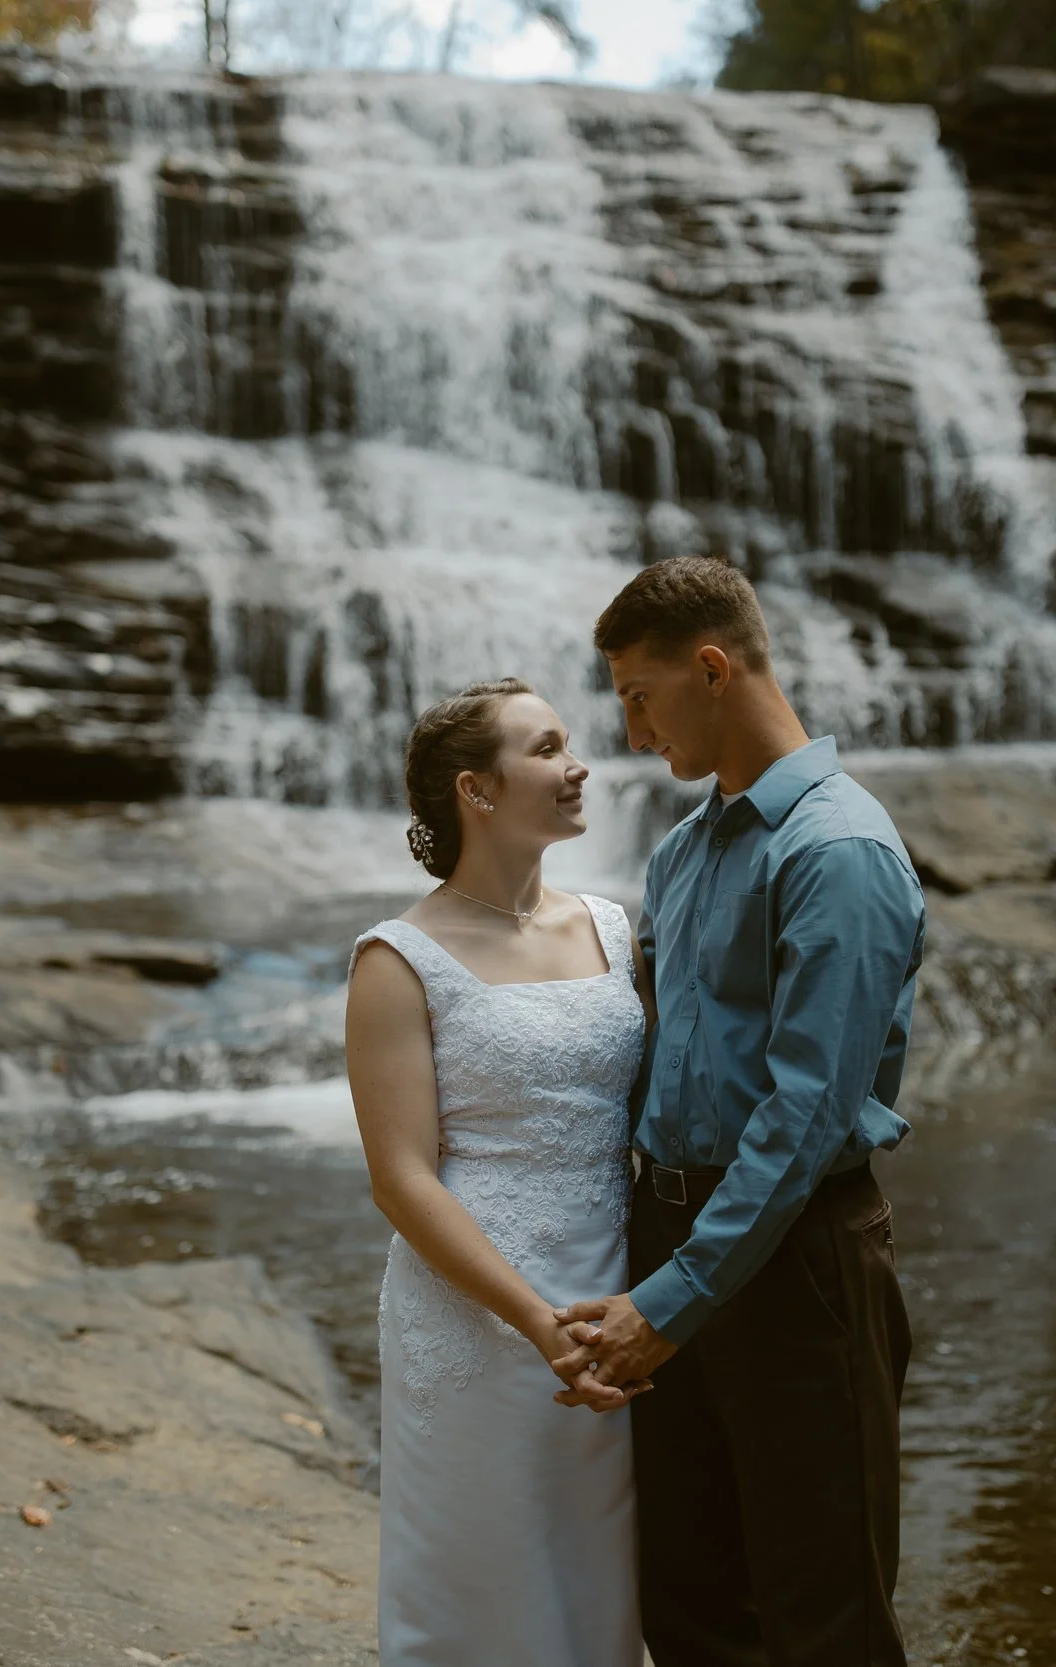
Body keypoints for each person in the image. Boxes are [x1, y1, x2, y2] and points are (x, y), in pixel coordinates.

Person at [558, 555, 926, 1667]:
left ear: (713, 669)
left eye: (640, 696)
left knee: (826, 1622)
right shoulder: (683, 851)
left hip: (797, 1257)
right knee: (690, 1605)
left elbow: (807, 1114)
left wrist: (668, 1303)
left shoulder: (839, 850)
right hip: (669, 1233)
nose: (632, 734)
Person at [343, 677, 648, 1667]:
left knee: (596, 1570)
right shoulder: (397, 959)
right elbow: (401, 1178)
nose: (578, 766)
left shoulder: (611, 927)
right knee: (485, 1575)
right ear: (475, 789)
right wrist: (533, 1319)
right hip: (477, 1313)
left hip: (616, 1301)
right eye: (546, 748)